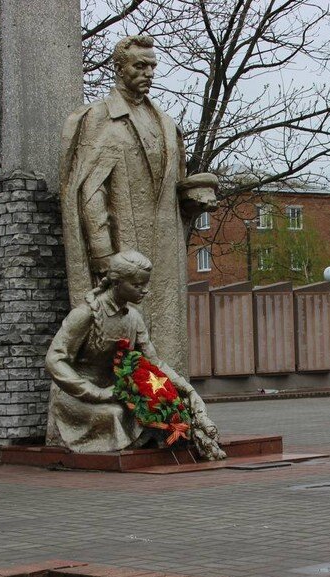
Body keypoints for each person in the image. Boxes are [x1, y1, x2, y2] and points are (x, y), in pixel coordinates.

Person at [60, 35, 218, 377]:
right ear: (118, 68)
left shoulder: (164, 123)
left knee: (167, 333)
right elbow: (90, 190)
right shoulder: (102, 118)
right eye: (139, 65)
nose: (148, 73)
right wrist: (104, 257)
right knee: (123, 337)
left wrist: (191, 199)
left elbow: (171, 187)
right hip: (125, 250)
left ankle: (170, 410)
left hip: (165, 245)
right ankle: (132, 411)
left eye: (152, 66)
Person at [45, 249, 225, 461]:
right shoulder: (86, 315)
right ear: (117, 282)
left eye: (145, 284)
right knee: (117, 414)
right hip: (76, 394)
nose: (145, 291)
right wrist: (95, 392)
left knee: (162, 410)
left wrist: (186, 389)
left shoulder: (134, 318)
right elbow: (54, 360)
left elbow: (153, 361)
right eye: (137, 285)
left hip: (118, 391)